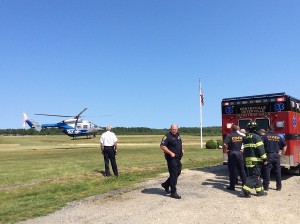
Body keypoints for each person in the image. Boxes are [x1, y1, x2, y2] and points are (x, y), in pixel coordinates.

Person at [239, 121, 268, 198]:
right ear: (256, 128)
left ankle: (260, 191)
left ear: (248, 128)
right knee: (254, 176)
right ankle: (245, 191)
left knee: (255, 175)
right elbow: (261, 149)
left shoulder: (246, 138)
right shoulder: (257, 137)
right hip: (256, 161)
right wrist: (264, 159)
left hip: (248, 160)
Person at [160, 124, 184, 199]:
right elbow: (162, 146)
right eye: (173, 129)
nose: (174, 130)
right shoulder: (167, 136)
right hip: (171, 158)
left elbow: (180, 143)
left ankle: (166, 184)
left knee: (178, 172)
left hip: (178, 158)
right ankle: (173, 192)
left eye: (175, 129)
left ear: (177, 129)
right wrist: (170, 153)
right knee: (174, 174)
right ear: (170, 129)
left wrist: (182, 149)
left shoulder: (177, 135)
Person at [261, 125, 287, 191]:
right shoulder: (278, 136)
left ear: (268, 129)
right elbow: (285, 146)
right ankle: (279, 186)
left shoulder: (265, 136)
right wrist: (282, 154)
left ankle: (266, 186)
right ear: (273, 129)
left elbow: (260, 145)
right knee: (278, 171)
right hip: (276, 155)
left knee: (267, 170)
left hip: (268, 155)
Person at [223, 124, 247, 191]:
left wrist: (226, 151)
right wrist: (243, 150)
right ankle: (244, 185)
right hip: (239, 153)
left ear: (231, 129)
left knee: (232, 170)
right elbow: (245, 143)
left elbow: (225, 144)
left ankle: (232, 186)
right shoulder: (241, 136)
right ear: (237, 129)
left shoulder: (229, 136)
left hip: (232, 153)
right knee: (242, 170)